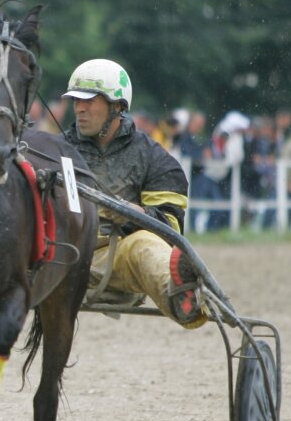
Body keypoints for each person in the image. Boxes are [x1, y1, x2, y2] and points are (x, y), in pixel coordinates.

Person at [62, 59, 205, 328]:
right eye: (75, 100)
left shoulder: (155, 160)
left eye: (89, 100)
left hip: (112, 258)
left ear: (117, 106)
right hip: (56, 257)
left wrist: (138, 215)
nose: (79, 108)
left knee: (144, 246)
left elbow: (172, 228)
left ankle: (182, 298)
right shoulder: (53, 151)